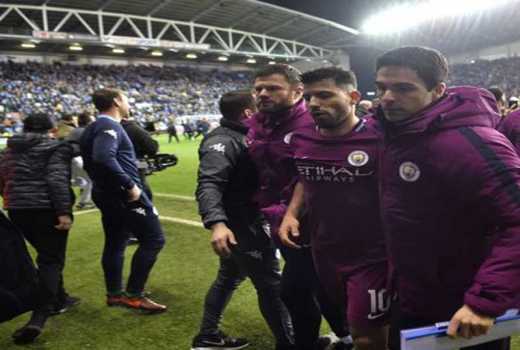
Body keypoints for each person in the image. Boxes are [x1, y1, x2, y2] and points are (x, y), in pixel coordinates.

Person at [373, 46, 519, 350]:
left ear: (438, 90)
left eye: (402, 88)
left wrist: (484, 301)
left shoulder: (471, 143)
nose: (387, 97)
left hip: (463, 307)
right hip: (413, 295)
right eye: (381, 87)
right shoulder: (398, 134)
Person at [279, 67, 388, 350]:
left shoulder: (381, 138)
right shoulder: (302, 138)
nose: (314, 103)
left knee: (368, 334)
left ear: (353, 96)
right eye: (310, 96)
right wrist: (291, 214)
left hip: (373, 256)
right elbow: (305, 177)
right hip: (324, 251)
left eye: (325, 95)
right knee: (351, 322)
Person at [247, 64, 348, 350]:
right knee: (315, 287)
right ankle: (342, 335)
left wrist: (293, 211)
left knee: (295, 290)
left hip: (314, 220)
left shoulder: (314, 123)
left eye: (273, 88)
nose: (263, 94)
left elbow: (311, 172)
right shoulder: (257, 124)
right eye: (258, 89)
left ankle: (307, 342)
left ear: (297, 91)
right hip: (279, 221)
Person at [193, 90, 294, 350]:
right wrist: (217, 223)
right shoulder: (223, 141)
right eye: (258, 105)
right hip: (242, 224)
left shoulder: (246, 135)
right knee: (271, 284)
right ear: (248, 113)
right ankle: (290, 343)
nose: (264, 107)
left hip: (247, 219)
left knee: (229, 277)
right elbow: (209, 183)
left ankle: (207, 335)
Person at [80, 88, 167, 313]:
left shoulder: (93, 126)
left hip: (106, 193)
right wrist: (130, 185)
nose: (128, 102)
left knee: (116, 242)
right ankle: (134, 295)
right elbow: (103, 156)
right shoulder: (108, 125)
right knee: (154, 239)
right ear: (117, 101)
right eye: (126, 98)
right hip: (122, 195)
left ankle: (115, 294)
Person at [0, 113, 79, 344]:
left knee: (47, 255)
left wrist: (11, 199)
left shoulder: (9, 149)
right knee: (51, 260)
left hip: (17, 210)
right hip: (46, 209)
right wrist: (64, 211)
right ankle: (40, 315)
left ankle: (61, 298)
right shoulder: (55, 148)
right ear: (50, 128)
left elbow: (3, 178)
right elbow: (56, 180)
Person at [67, 112, 95, 209]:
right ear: (88, 122)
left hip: (69, 159)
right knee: (91, 180)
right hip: (78, 158)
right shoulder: (86, 131)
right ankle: (83, 202)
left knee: (80, 181)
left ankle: (82, 200)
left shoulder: (74, 131)